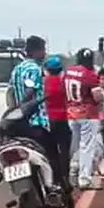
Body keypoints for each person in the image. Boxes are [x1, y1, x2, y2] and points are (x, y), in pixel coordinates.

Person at [8, 36, 64, 185]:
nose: (45, 54)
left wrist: (14, 111)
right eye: (43, 50)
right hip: (36, 122)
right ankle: (56, 185)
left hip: (20, 123)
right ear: (35, 51)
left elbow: (10, 93)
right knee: (51, 155)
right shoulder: (34, 69)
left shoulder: (17, 69)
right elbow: (30, 90)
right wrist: (23, 107)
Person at [64, 48, 104, 190]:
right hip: (88, 114)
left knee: (74, 145)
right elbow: (97, 97)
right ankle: (84, 179)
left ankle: (72, 171)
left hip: (71, 113)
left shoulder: (68, 72)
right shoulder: (90, 75)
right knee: (87, 147)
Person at [42, 55, 72, 187]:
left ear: (46, 70)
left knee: (51, 151)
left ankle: (54, 178)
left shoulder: (43, 83)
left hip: (48, 120)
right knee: (65, 149)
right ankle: (64, 177)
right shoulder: (64, 83)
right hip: (63, 119)